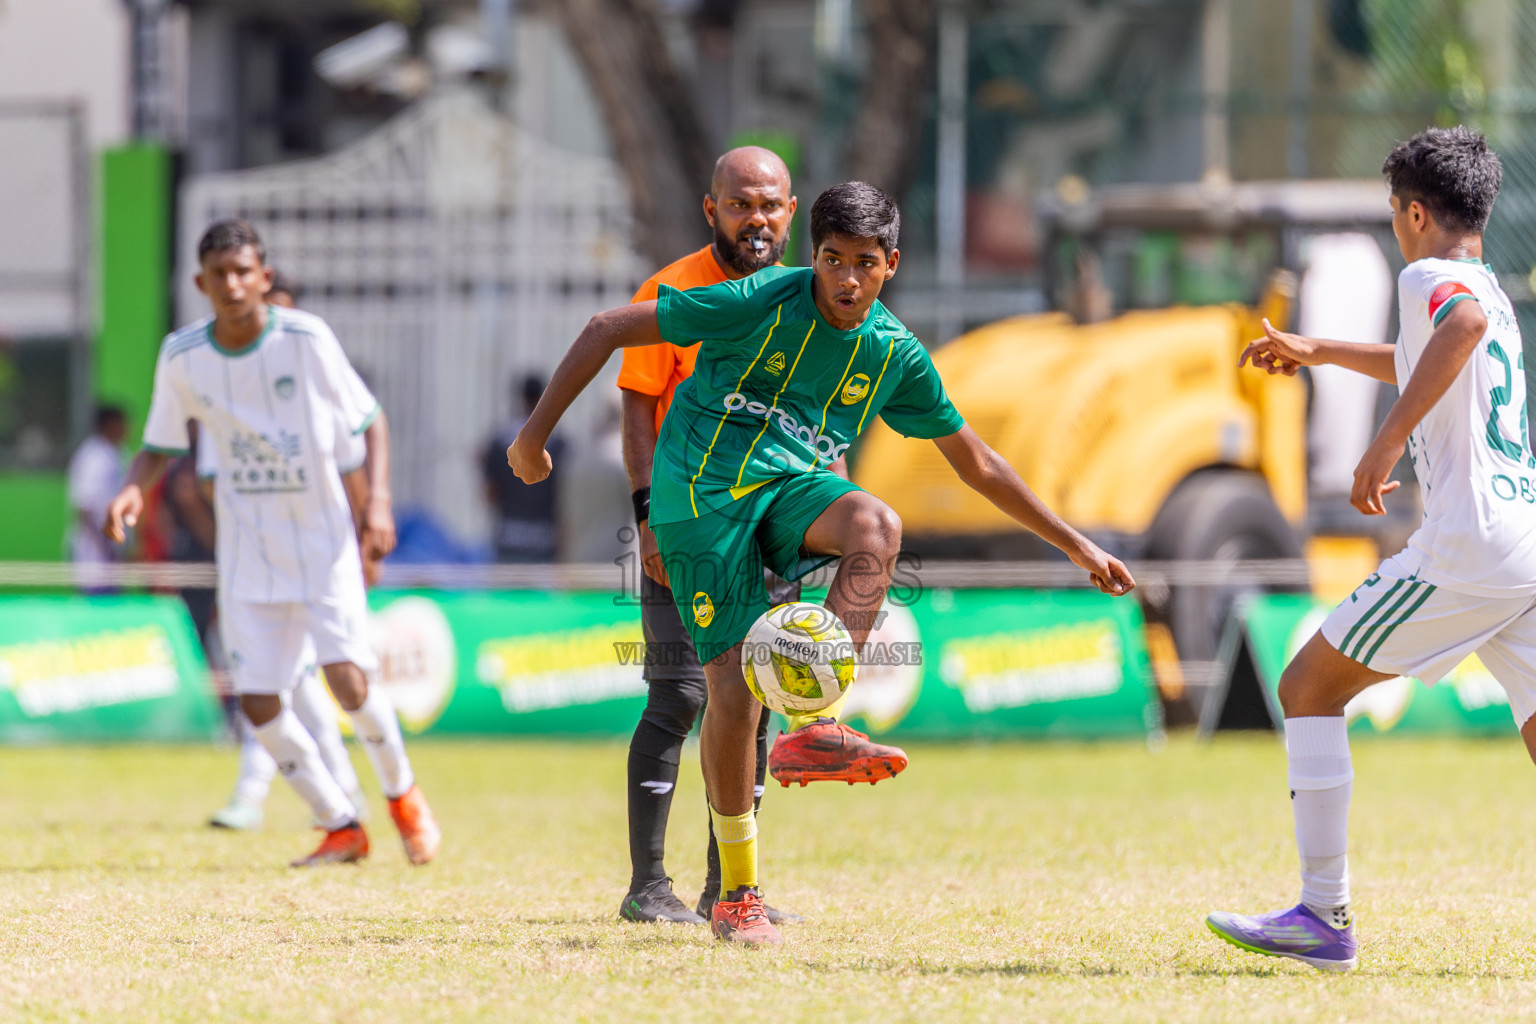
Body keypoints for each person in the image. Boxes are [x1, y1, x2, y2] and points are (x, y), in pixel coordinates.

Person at [510, 181, 1135, 944]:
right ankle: (736, 896)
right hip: (699, 501)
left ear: (891, 264)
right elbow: (609, 327)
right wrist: (531, 439)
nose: (845, 279)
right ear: (814, 256)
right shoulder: (762, 296)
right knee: (733, 690)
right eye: (832, 259)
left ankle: (813, 718)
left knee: (877, 522)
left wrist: (1077, 543)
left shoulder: (893, 353)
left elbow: (976, 461)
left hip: (785, 490)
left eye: (863, 264)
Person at [1207, 127, 1530, 972]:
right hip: (1525, 541)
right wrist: (1318, 350)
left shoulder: (1430, 278)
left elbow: (1447, 331)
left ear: (1415, 213)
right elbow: (1439, 349)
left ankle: (1322, 915)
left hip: (1469, 546)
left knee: (1307, 685)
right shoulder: (1489, 288)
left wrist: (1383, 447)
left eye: (1395, 212)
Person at [614, 147, 908, 928]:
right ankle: (649, 885)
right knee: (680, 694)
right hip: (690, 520)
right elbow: (639, 409)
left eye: (772, 204)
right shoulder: (674, 289)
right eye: (741, 204)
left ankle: (729, 889)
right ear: (712, 210)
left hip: (777, 516)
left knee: (765, 691)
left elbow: (819, 419)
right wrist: (647, 515)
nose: (758, 218)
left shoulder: (814, 298)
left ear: (791, 212)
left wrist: (829, 505)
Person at [104, 219, 440, 868]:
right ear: (200, 283)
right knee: (259, 701)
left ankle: (402, 794)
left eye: (243, 271)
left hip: (322, 542)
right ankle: (339, 821)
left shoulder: (307, 340)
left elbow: (370, 423)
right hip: (248, 553)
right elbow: (160, 445)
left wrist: (378, 504)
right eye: (218, 274)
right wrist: (132, 489)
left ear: (262, 276)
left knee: (346, 681)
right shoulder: (183, 357)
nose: (232, 284)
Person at [481, 375, 564, 562]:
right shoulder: (558, 441)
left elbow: (490, 493)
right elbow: (563, 495)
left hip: (509, 534)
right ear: (542, 397)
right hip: (545, 537)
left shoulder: (500, 439)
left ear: (522, 398)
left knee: (507, 590)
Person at [67, 405, 128, 576]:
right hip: (95, 555)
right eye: (122, 424)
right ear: (108, 425)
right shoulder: (94, 457)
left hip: (110, 553)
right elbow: (84, 509)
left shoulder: (116, 454)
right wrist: (107, 546)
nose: (127, 429)